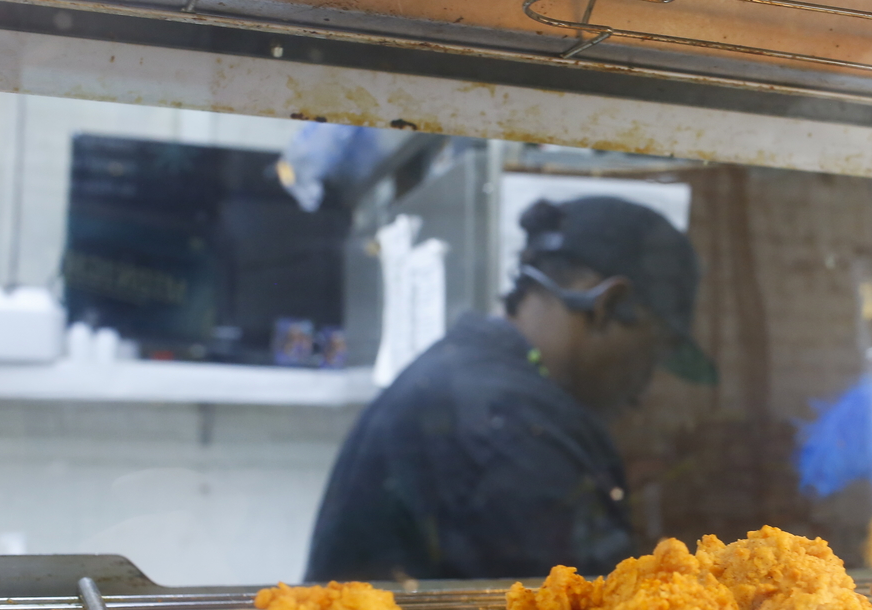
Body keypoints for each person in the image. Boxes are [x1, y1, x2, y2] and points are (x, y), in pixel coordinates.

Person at [304, 195, 714, 584]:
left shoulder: (474, 376)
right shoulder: (509, 422)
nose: (642, 394)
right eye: (653, 356)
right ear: (607, 306)